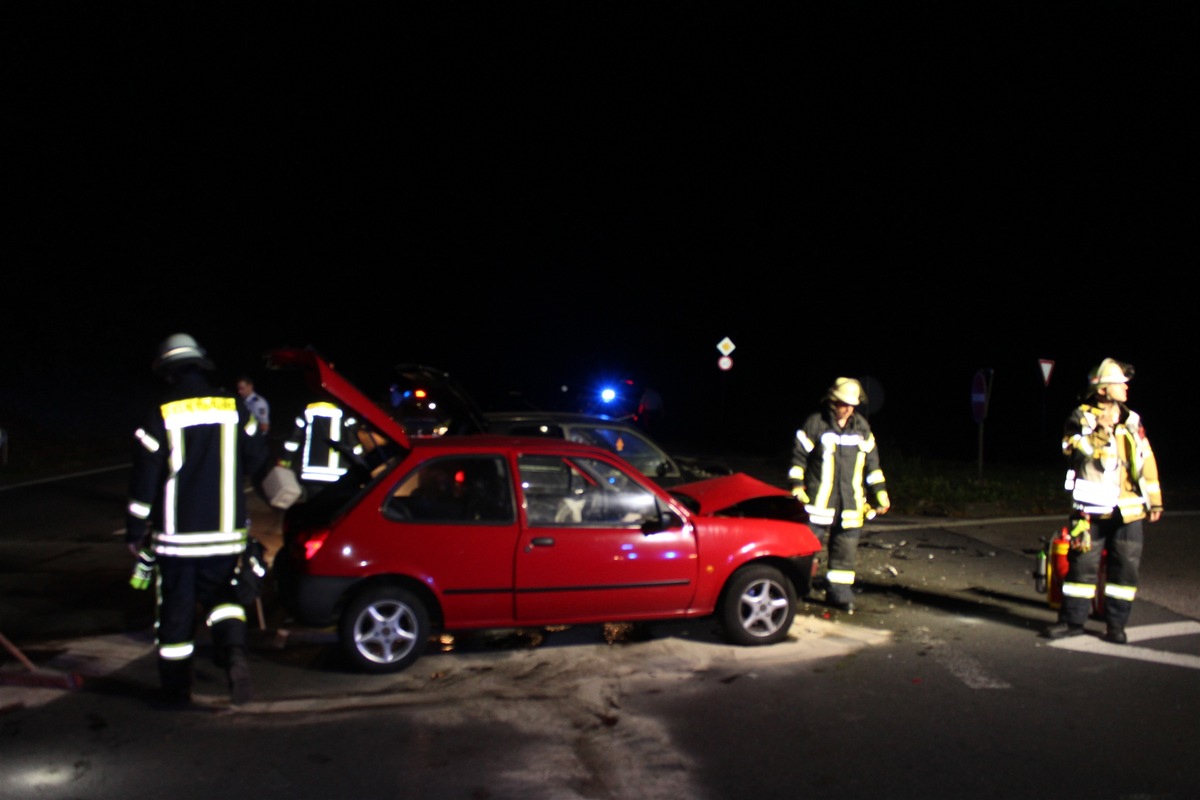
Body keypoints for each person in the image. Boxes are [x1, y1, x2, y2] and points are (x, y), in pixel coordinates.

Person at [125, 333, 268, 708]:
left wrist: (136, 530)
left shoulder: (161, 413)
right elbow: (256, 460)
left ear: (168, 372)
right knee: (224, 599)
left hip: (175, 541)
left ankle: (176, 691)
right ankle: (235, 657)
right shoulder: (235, 407)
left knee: (176, 612)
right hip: (226, 536)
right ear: (200, 364)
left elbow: (144, 481)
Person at [1045, 358, 1163, 644]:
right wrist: (1099, 431)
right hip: (1090, 512)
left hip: (1129, 511)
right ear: (1101, 391)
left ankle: (1115, 626)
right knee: (1081, 569)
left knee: (1125, 570)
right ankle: (1072, 622)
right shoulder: (1080, 417)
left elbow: (1146, 460)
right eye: (1119, 383)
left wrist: (1155, 501)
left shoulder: (1132, 420)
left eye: (1125, 383)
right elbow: (1073, 451)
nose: (1125, 387)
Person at [788, 377, 890, 612]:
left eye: (852, 405)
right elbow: (798, 458)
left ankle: (839, 593)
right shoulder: (816, 424)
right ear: (833, 401)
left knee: (845, 551)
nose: (848, 409)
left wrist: (880, 493)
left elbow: (873, 465)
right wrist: (796, 485)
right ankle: (797, 588)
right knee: (806, 548)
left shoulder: (861, 428)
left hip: (851, 503)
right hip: (818, 503)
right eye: (844, 403)